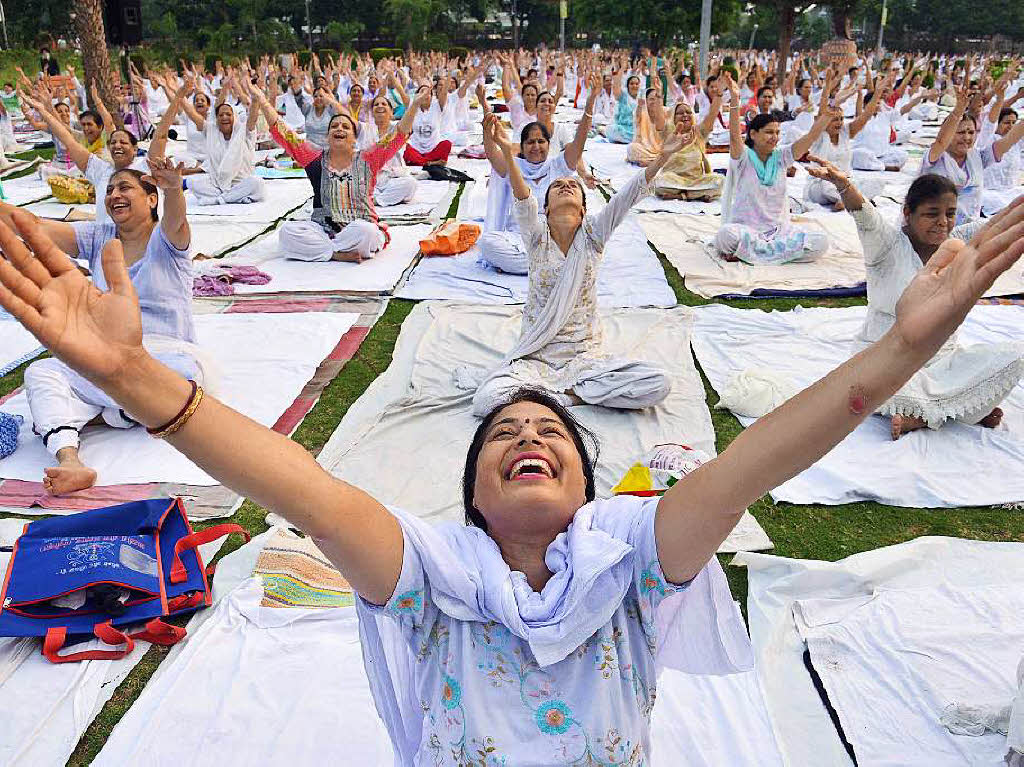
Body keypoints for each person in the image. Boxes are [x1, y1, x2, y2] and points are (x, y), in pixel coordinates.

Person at [2, 163, 1023, 765]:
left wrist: (904, 350)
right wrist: (138, 380)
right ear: (474, 499)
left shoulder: (631, 553)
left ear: (588, 487)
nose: (528, 436)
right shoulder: (433, 577)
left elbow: (752, 462)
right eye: (502, 437)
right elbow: (297, 486)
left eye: (548, 437)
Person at [0, 157, 202, 494]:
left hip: (163, 358)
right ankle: (71, 459)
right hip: (107, 360)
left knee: (185, 378)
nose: (114, 195)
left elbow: (177, 218)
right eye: (109, 190)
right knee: (41, 372)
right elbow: (31, 225)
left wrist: (173, 191)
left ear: (151, 199)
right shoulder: (99, 235)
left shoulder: (166, 238)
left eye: (125, 188)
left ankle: (98, 415)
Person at [467, 117, 686, 416]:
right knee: (486, 401)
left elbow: (627, 196)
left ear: (584, 208)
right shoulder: (536, 237)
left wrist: (664, 156)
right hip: (537, 359)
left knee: (657, 383)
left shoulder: (593, 235)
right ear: (544, 208)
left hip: (585, 359)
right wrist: (507, 151)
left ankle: (555, 397)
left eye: (573, 185)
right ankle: (574, 397)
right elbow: (522, 199)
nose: (566, 186)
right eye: (557, 185)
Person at [807, 158, 1024, 439]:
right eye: (932, 214)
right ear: (908, 213)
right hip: (887, 360)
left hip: (944, 362)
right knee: (862, 388)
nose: (943, 223)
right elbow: (863, 212)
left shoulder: (957, 242)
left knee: (1015, 356)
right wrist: (843, 184)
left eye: (950, 213)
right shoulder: (885, 244)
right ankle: (954, 410)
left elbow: (1000, 224)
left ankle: (934, 410)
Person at [252, 82, 427, 262]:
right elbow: (284, 133)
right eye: (334, 126)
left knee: (367, 231)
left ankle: (324, 250)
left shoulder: (368, 158)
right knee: (287, 232)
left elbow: (398, 135)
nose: (339, 129)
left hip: (359, 226)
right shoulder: (314, 158)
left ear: (353, 138)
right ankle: (337, 253)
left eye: (345, 127)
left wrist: (414, 105)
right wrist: (263, 102)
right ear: (328, 137)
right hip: (324, 229)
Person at [477, 82, 598, 275]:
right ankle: (547, 264)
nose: (536, 146)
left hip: (553, 237)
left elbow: (579, 140)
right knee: (486, 243)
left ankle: (533, 264)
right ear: (522, 146)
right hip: (517, 239)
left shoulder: (559, 165)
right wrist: (486, 122)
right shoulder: (513, 166)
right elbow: (492, 153)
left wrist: (590, 104)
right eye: (530, 142)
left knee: (584, 236)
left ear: (549, 145)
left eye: (541, 141)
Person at [715, 75, 832, 264]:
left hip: (779, 231)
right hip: (747, 230)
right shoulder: (743, 157)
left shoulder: (781, 157)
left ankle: (751, 253)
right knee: (725, 236)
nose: (775, 137)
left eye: (777, 133)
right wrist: (735, 99)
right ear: (753, 134)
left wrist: (826, 117)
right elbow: (735, 136)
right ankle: (777, 254)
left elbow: (810, 138)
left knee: (821, 241)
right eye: (769, 132)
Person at [19, 89, 172, 225]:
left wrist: (178, 98)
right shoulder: (100, 169)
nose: (117, 145)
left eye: (123, 142)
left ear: (134, 149)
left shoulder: (144, 167)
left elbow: (161, 136)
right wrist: (42, 109)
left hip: (139, 242)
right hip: (106, 240)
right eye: (113, 142)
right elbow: (65, 137)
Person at [921, 82, 1016, 225]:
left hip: (969, 225)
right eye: (960, 132)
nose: (967, 138)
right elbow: (940, 141)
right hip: (935, 227)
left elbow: (1010, 139)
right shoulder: (935, 156)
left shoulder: (977, 157)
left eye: (971, 132)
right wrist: (958, 111)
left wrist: (1001, 99)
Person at [178, 78, 266, 206]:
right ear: (217, 118)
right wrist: (180, 95)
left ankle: (219, 200)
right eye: (221, 115)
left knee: (258, 183)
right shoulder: (211, 130)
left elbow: (253, 116)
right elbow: (192, 113)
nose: (224, 117)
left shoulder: (244, 131)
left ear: (234, 117)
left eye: (228, 114)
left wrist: (256, 99)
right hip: (217, 184)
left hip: (242, 182)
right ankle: (237, 197)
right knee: (194, 183)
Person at [645, 98, 724, 201]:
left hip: (696, 180)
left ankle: (682, 195)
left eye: (688, 112)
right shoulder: (669, 133)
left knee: (719, 181)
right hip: (673, 180)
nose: (685, 115)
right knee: (659, 181)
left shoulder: (699, 133)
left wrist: (718, 96)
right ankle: (697, 194)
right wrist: (659, 97)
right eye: (680, 113)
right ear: (673, 117)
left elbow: (712, 115)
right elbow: (658, 118)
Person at [358, 93, 419, 208]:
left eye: (384, 104)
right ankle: (380, 197)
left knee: (411, 184)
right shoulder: (365, 128)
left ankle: (376, 200)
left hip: (392, 178)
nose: (380, 106)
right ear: (372, 112)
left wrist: (415, 104)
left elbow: (405, 126)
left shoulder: (397, 126)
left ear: (391, 112)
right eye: (376, 104)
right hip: (369, 179)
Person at [982, 107, 1024, 216]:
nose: (1010, 126)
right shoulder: (987, 141)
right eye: (1006, 123)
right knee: (999, 203)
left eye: (1013, 123)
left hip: (1011, 191)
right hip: (990, 192)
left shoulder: (1017, 143)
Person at [403, 79, 452, 167]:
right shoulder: (413, 107)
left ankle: (420, 162)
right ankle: (429, 162)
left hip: (433, 149)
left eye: (428, 93)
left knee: (447, 144)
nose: (425, 95)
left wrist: (449, 73)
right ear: (417, 96)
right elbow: (401, 92)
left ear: (432, 96)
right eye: (422, 92)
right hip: (416, 149)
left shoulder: (437, 106)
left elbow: (444, 92)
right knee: (404, 149)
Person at [604, 74, 640, 144]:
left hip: (637, 130)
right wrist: (622, 67)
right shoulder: (623, 96)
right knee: (610, 129)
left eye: (636, 84)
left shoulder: (642, 97)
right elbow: (616, 86)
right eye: (631, 84)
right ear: (628, 86)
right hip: (622, 128)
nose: (634, 86)